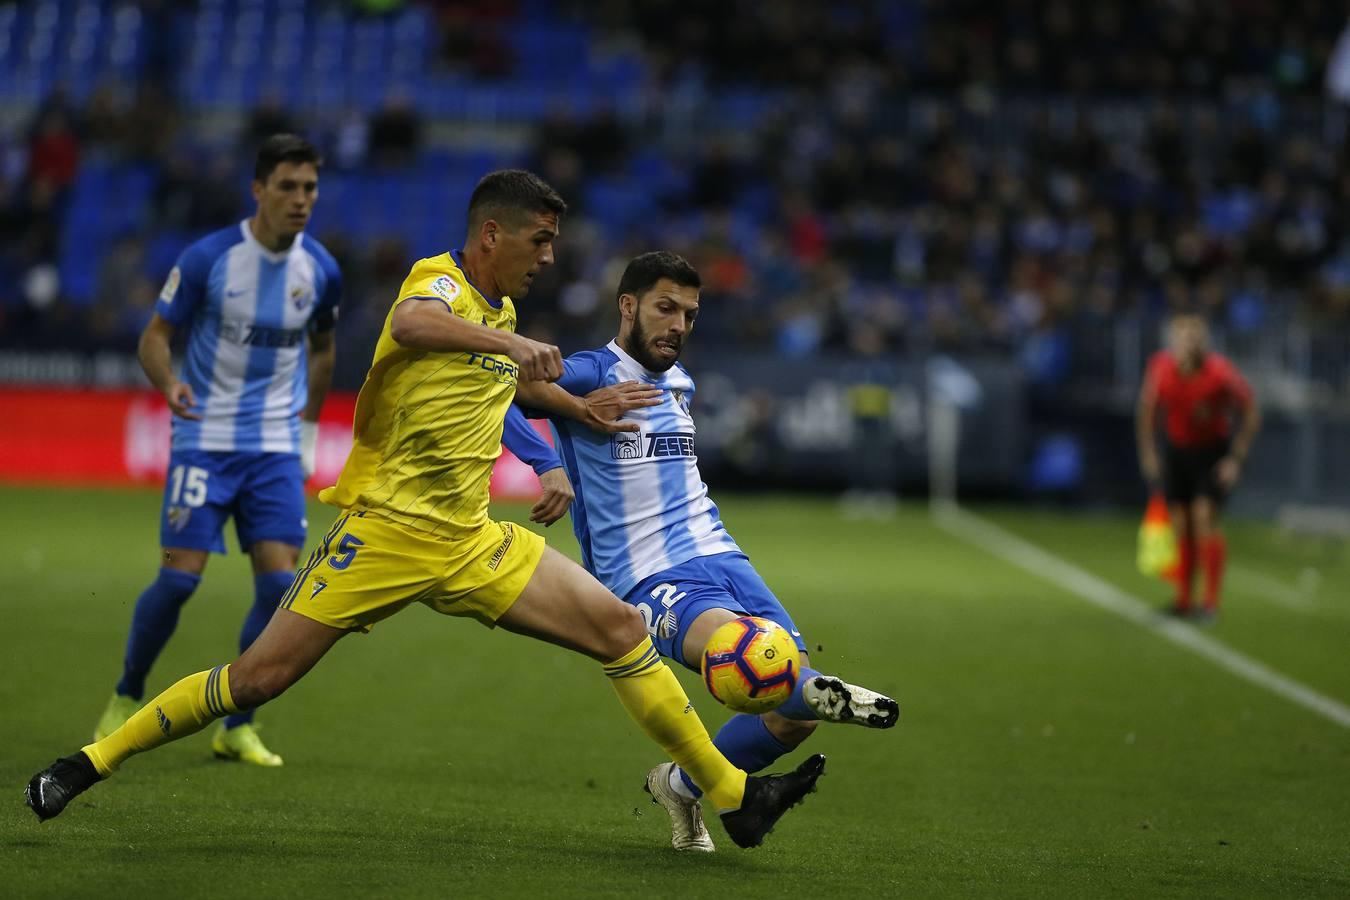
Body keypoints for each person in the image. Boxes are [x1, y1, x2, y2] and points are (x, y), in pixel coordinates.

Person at [27, 171, 823, 850]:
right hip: (386, 533)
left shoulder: (503, 315)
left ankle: (732, 798)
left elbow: (508, 389)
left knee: (619, 629)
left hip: (471, 539)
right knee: (256, 679)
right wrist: (510, 349)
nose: (548, 258)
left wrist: (569, 423)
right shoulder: (438, 283)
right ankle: (90, 761)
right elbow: (412, 325)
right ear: (490, 234)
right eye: (538, 241)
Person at [502, 251, 896, 852]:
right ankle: (805, 695)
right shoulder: (590, 373)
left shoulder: (679, 382)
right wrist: (549, 462)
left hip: (723, 556)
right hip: (644, 575)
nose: (679, 325)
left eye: (689, 313)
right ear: (628, 307)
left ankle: (682, 786)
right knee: (745, 660)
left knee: (796, 715)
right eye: (666, 309)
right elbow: (498, 394)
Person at [92, 134, 341, 767]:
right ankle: (126, 695)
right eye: (287, 186)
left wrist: (307, 431)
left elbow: (321, 349)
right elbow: (155, 336)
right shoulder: (209, 259)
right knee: (177, 581)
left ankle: (237, 725)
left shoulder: (321, 270)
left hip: (275, 451)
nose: (300, 199)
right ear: (258, 190)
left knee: (280, 588)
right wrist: (169, 381)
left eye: (309, 187)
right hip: (205, 441)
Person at [1136, 313, 1261, 620]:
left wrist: (1235, 459)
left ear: (1205, 340)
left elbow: (1250, 412)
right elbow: (1147, 411)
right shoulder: (1161, 368)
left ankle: (1210, 603)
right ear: (1174, 341)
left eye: (1195, 336)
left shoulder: (1220, 373)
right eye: (1184, 336)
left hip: (1210, 454)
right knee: (1181, 525)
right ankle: (1183, 600)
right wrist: (1149, 454)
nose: (1190, 342)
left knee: (1204, 518)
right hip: (1177, 452)